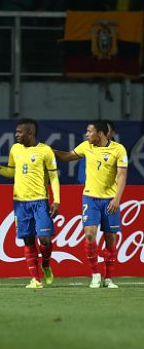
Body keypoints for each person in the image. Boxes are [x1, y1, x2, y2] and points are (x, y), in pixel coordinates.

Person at [53, 121, 128, 289]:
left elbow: (122, 176)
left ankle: (108, 278)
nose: (87, 135)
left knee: (110, 238)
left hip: (110, 199)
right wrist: (52, 151)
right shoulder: (86, 146)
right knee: (89, 235)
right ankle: (95, 274)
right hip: (90, 198)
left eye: (89, 132)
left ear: (100, 133)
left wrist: (117, 199)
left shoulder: (118, 149)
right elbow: (67, 156)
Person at [0, 119, 60, 289]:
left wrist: (57, 200)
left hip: (40, 201)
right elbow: (12, 172)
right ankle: (35, 280)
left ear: (29, 133)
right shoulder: (15, 149)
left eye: (19, 132)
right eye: (16, 132)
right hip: (20, 203)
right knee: (28, 240)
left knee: (44, 240)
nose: (16, 135)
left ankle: (45, 264)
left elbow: (53, 177)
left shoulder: (45, 151)